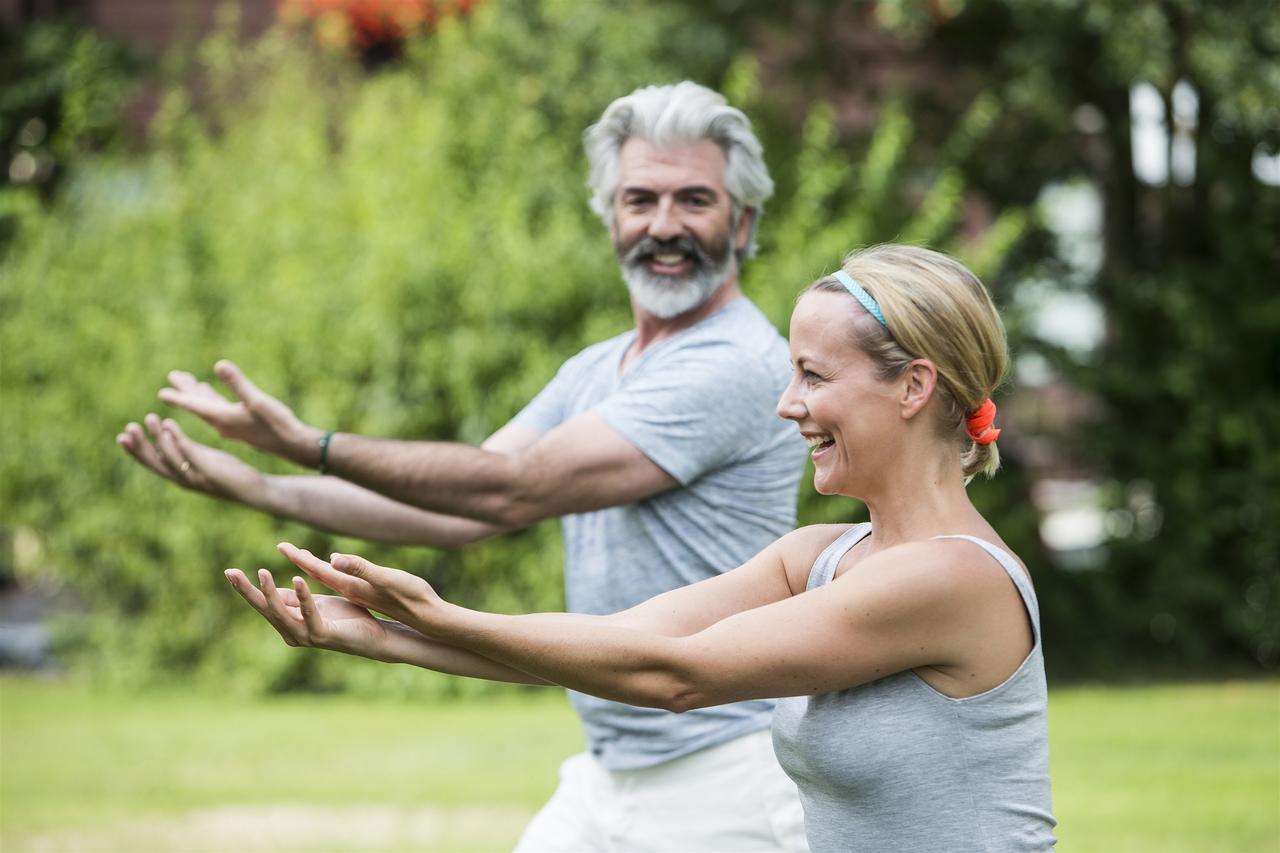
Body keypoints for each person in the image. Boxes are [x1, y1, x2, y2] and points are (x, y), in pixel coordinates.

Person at [119, 82, 811, 851]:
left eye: (694, 200)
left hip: (721, 770)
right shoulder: (601, 367)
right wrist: (260, 485)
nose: (664, 225)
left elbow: (513, 488)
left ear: (742, 221)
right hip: (609, 767)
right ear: (609, 216)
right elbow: (462, 505)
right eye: (640, 199)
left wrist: (305, 443)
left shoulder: (735, 364)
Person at [228, 244, 1059, 851]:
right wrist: (388, 638)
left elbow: (676, 677)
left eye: (813, 375)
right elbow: (629, 642)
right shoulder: (821, 556)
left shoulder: (953, 578)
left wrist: (440, 613)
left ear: (913, 386)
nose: (786, 404)